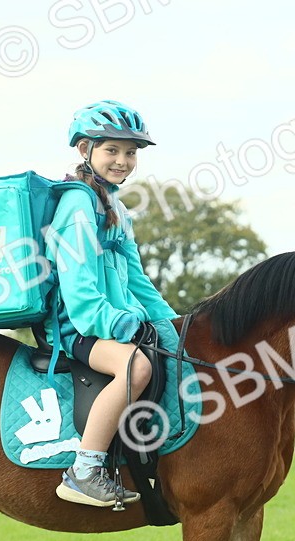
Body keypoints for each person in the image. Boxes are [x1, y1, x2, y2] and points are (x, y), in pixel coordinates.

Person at [45, 100, 178, 508]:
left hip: (113, 324)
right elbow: (81, 296)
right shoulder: (78, 205)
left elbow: (137, 280)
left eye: (131, 152)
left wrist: (175, 326)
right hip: (80, 329)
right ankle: (84, 471)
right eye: (112, 150)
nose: (123, 160)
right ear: (85, 149)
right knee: (136, 367)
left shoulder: (116, 207)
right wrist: (122, 325)